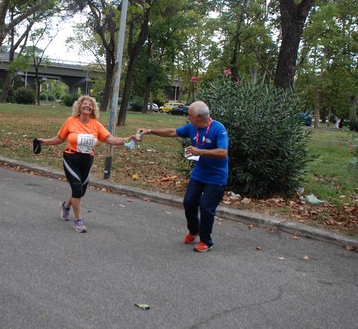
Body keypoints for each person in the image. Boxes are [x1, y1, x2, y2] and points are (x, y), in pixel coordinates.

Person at [35, 95, 137, 233]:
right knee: (77, 188)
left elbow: (110, 139)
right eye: (85, 104)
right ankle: (78, 221)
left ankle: (65, 206)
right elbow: (60, 139)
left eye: (90, 104)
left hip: (87, 160)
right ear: (79, 106)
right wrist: (44, 142)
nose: (87, 106)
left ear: (93, 109)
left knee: (80, 191)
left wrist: (127, 140)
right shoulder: (71, 121)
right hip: (71, 158)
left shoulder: (95, 124)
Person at [139, 101, 228, 252]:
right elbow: (172, 132)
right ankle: (194, 230)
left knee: (206, 207)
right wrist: (149, 131)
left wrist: (200, 151)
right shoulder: (192, 127)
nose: (188, 118)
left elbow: (223, 152)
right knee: (188, 202)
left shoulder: (218, 129)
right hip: (199, 174)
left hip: (216, 177)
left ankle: (206, 241)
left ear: (199, 116)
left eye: (190, 115)